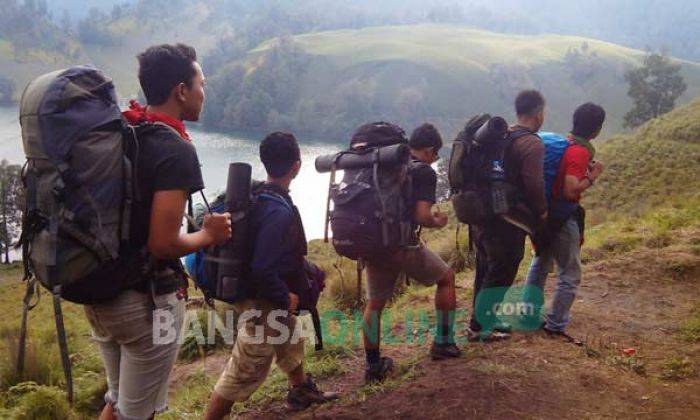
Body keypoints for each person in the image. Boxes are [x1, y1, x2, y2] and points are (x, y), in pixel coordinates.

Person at [85, 44, 232, 420]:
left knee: (117, 402)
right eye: (201, 83)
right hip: (144, 303)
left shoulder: (128, 128)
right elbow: (164, 243)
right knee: (138, 413)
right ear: (181, 90)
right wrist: (208, 236)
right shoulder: (173, 148)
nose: (204, 92)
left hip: (99, 291)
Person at [204, 132, 338, 419]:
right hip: (258, 297)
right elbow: (263, 267)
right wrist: (283, 295)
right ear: (297, 166)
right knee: (246, 368)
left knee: (289, 332)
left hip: (248, 288)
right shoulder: (277, 210)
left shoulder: (259, 197)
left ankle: (300, 390)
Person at [363, 123, 460, 384]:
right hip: (401, 246)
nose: (435, 159)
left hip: (374, 243)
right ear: (428, 150)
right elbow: (421, 216)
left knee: (375, 304)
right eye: (436, 154)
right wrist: (438, 222)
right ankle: (443, 343)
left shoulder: (387, 165)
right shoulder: (423, 172)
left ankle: (373, 366)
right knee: (447, 278)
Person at [468, 90, 548, 341]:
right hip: (508, 218)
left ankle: (481, 319)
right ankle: (482, 326)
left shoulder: (501, 135)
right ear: (539, 113)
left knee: (486, 266)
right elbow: (534, 183)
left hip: (483, 212)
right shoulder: (531, 143)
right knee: (503, 268)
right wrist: (542, 211)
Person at [525, 103, 606, 343]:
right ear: (597, 130)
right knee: (570, 273)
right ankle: (556, 324)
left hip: (543, 214)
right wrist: (591, 177)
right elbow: (571, 191)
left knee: (541, 262)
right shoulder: (580, 152)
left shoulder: (564, 143)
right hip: (562, 216)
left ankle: (529, 315)